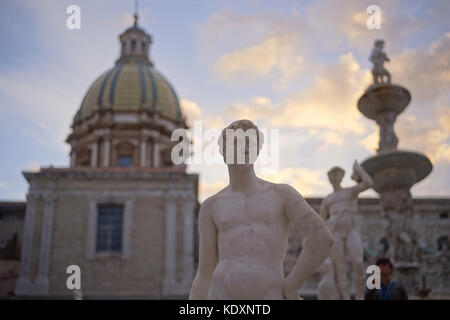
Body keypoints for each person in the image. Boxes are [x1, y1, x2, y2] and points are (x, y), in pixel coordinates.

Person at [189, 119, 334, 300]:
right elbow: (204, 274)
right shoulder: (211, 207)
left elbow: (322, 237)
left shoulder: (282, 195)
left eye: (250, 143)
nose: (244, 148)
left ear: (257, 152)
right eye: (237, 143)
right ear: (224, 153)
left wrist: (292, 284)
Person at [319, 162, 373, 300]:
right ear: (330, 178)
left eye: (337, 175)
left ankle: (360, 296)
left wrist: (359, 170)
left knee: (358, 262)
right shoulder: (328, 199)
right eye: (332, 175)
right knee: (340, 267)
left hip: (351, 230)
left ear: (342, 177)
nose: (335, 178)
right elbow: (321, 220)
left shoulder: (351, 191)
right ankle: (345, 297)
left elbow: (368, 183)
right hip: (335, 231)